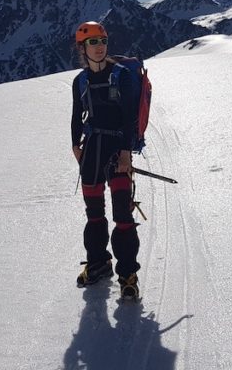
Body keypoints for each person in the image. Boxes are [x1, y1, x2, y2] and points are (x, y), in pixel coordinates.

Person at [70, 21, 141, 300]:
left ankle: (128, 273)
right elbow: (77, 116)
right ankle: (98, 261)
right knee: (94, 213)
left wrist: (126, 152)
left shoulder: (121, 75)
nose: (99, 47)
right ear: (82, 48)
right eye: (92, 43)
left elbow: (128, 118)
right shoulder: (80, 81)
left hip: (116, 150)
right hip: (92, 151)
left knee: (123, 215)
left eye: (102, 41)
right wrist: (75, 145)